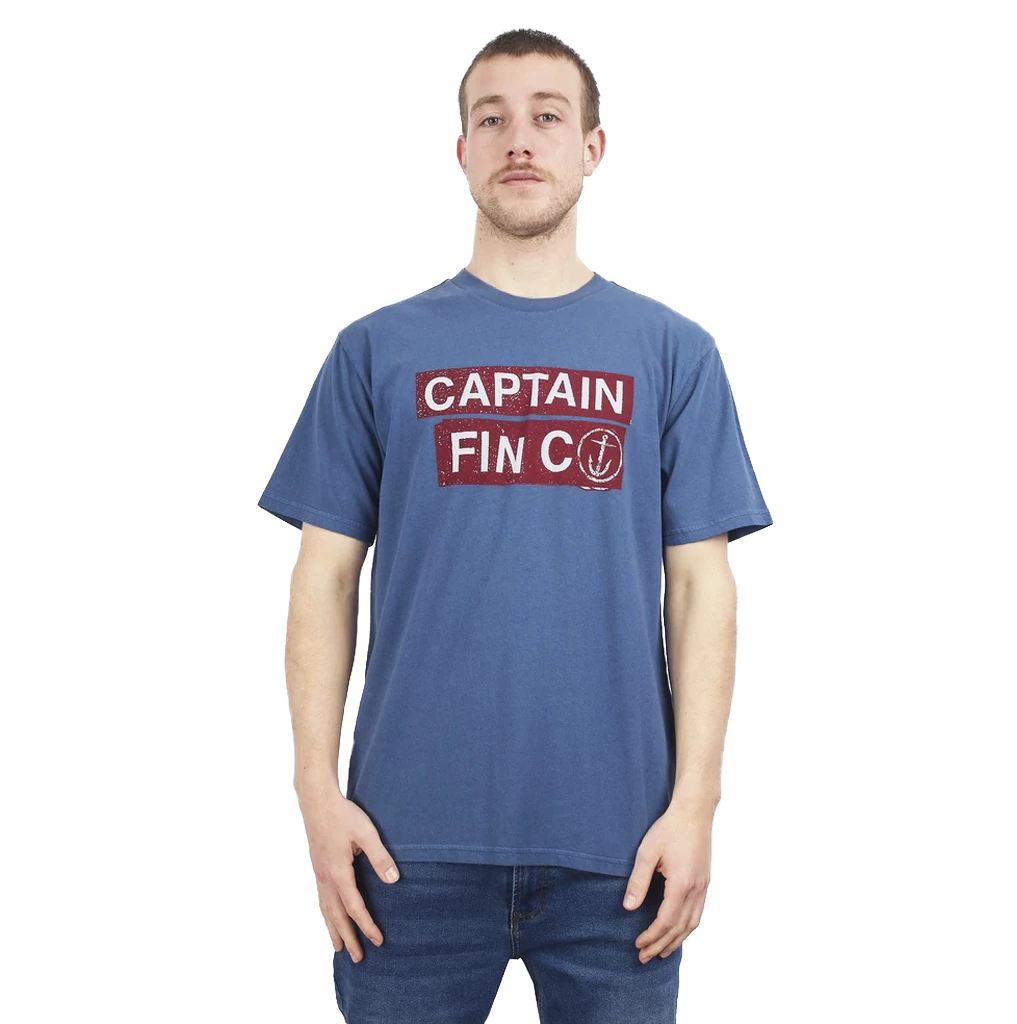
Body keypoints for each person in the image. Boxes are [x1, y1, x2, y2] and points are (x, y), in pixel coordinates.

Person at [257, 27, 773, 1024]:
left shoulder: (674, 352)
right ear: (461, 152)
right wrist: (315, 794)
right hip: (402, 848)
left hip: (621, 849)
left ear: (593, 147)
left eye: (548, 116)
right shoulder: (374, 350)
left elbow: (701, 587)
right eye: (491, 119)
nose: (519, 140)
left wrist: (695, 806)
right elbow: (324, 578)